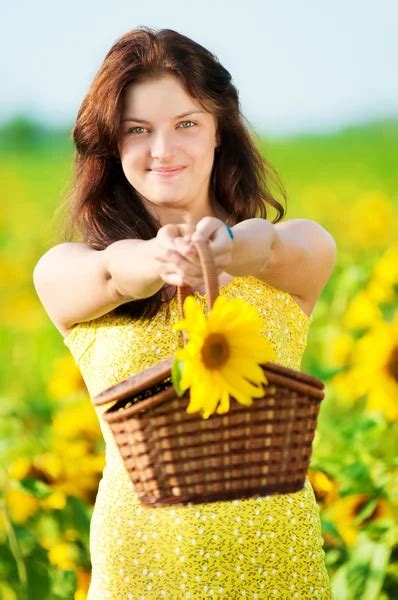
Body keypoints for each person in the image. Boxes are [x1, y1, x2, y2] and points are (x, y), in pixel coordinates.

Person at [33, 26, 336, 599]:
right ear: (112, 144)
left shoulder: (292, 250)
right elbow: (110, 272)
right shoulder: (68, 269)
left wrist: (223, 246)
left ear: (220, 127)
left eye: (186, 124)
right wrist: (156, 257)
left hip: (279, 568)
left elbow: (270, 247)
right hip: (141, 572)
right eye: (138, 130)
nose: (163, 150)